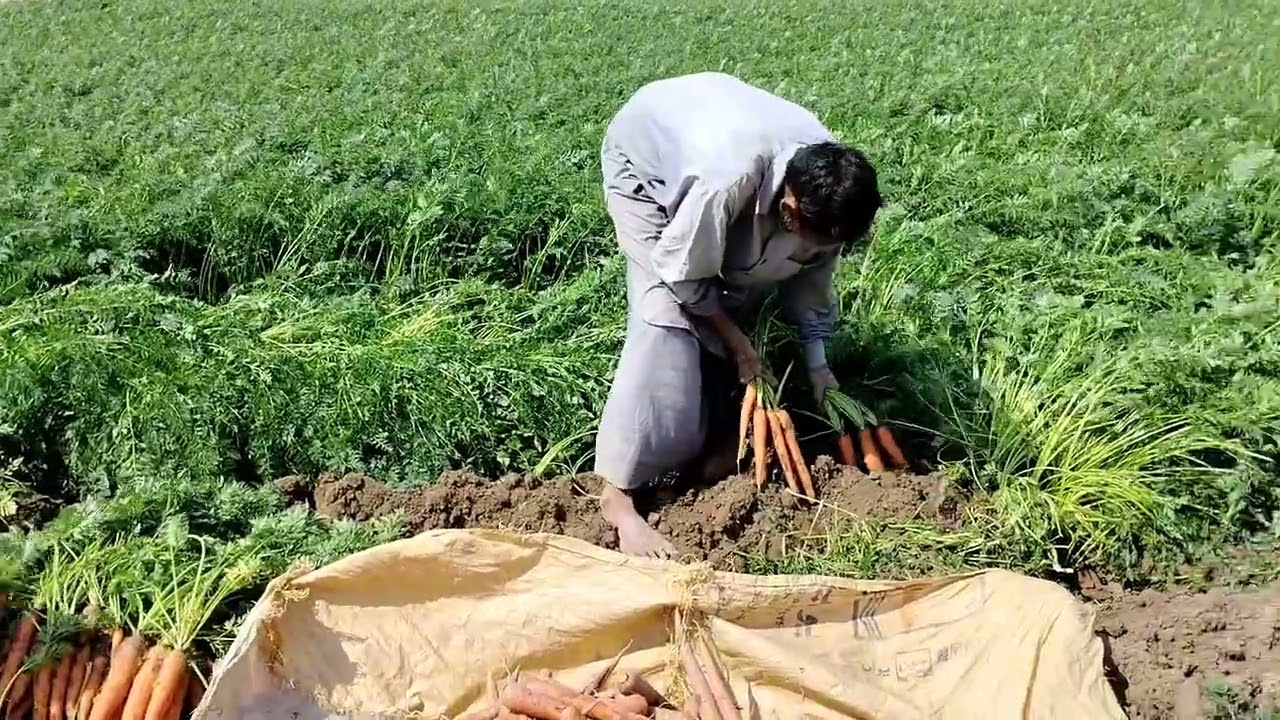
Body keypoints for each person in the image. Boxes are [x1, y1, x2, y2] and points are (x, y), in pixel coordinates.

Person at [594, 72, 883, 558]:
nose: (816, 247)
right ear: (788, 204)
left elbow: (811, 283)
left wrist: (818, 367)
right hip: (645, 159)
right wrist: (740, 345)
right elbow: (683, 273)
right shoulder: (721, 180)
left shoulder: (836, 189)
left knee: (743, 289)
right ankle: (619, 495)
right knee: (664, 316)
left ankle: (712, 437)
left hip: (724, 133)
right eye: (807, 232)